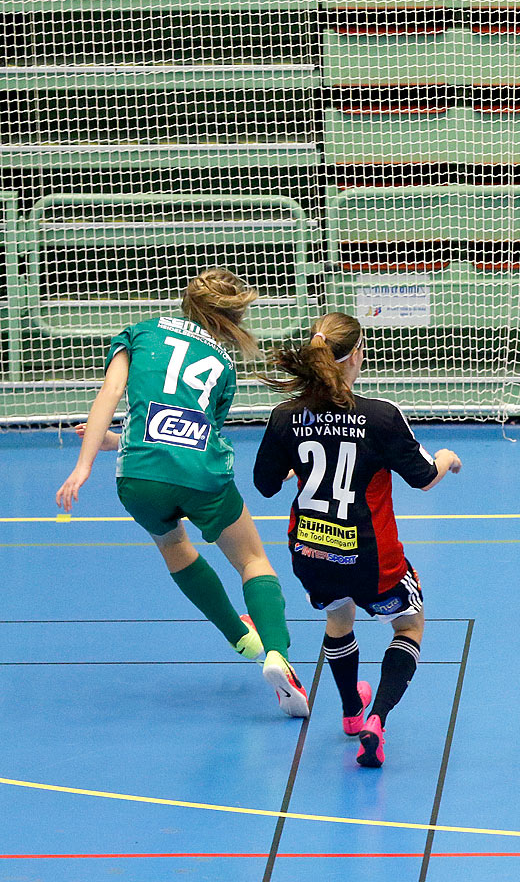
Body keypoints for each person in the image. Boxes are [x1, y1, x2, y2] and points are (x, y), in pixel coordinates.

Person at [55, 268, 308, 717]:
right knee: (251, 559)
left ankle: (239, 637)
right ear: (231, 317)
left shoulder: (141, 332)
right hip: (200, 474)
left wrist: (85, 464)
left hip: (137, 477)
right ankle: (277, 654)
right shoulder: (224, 366)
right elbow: (195, 431)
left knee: (174, 547)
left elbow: (111, 395)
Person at [252, 313, 460, 767]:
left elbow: (264, 484)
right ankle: (376, 720)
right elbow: (423, 478)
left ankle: (350, 712)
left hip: (311, 549)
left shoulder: (285, 415)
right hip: (371, 558)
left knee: (338, 617)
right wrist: (446, 458)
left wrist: (297, 466)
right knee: (409, 625)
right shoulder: (380, 416)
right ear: (355, 357)